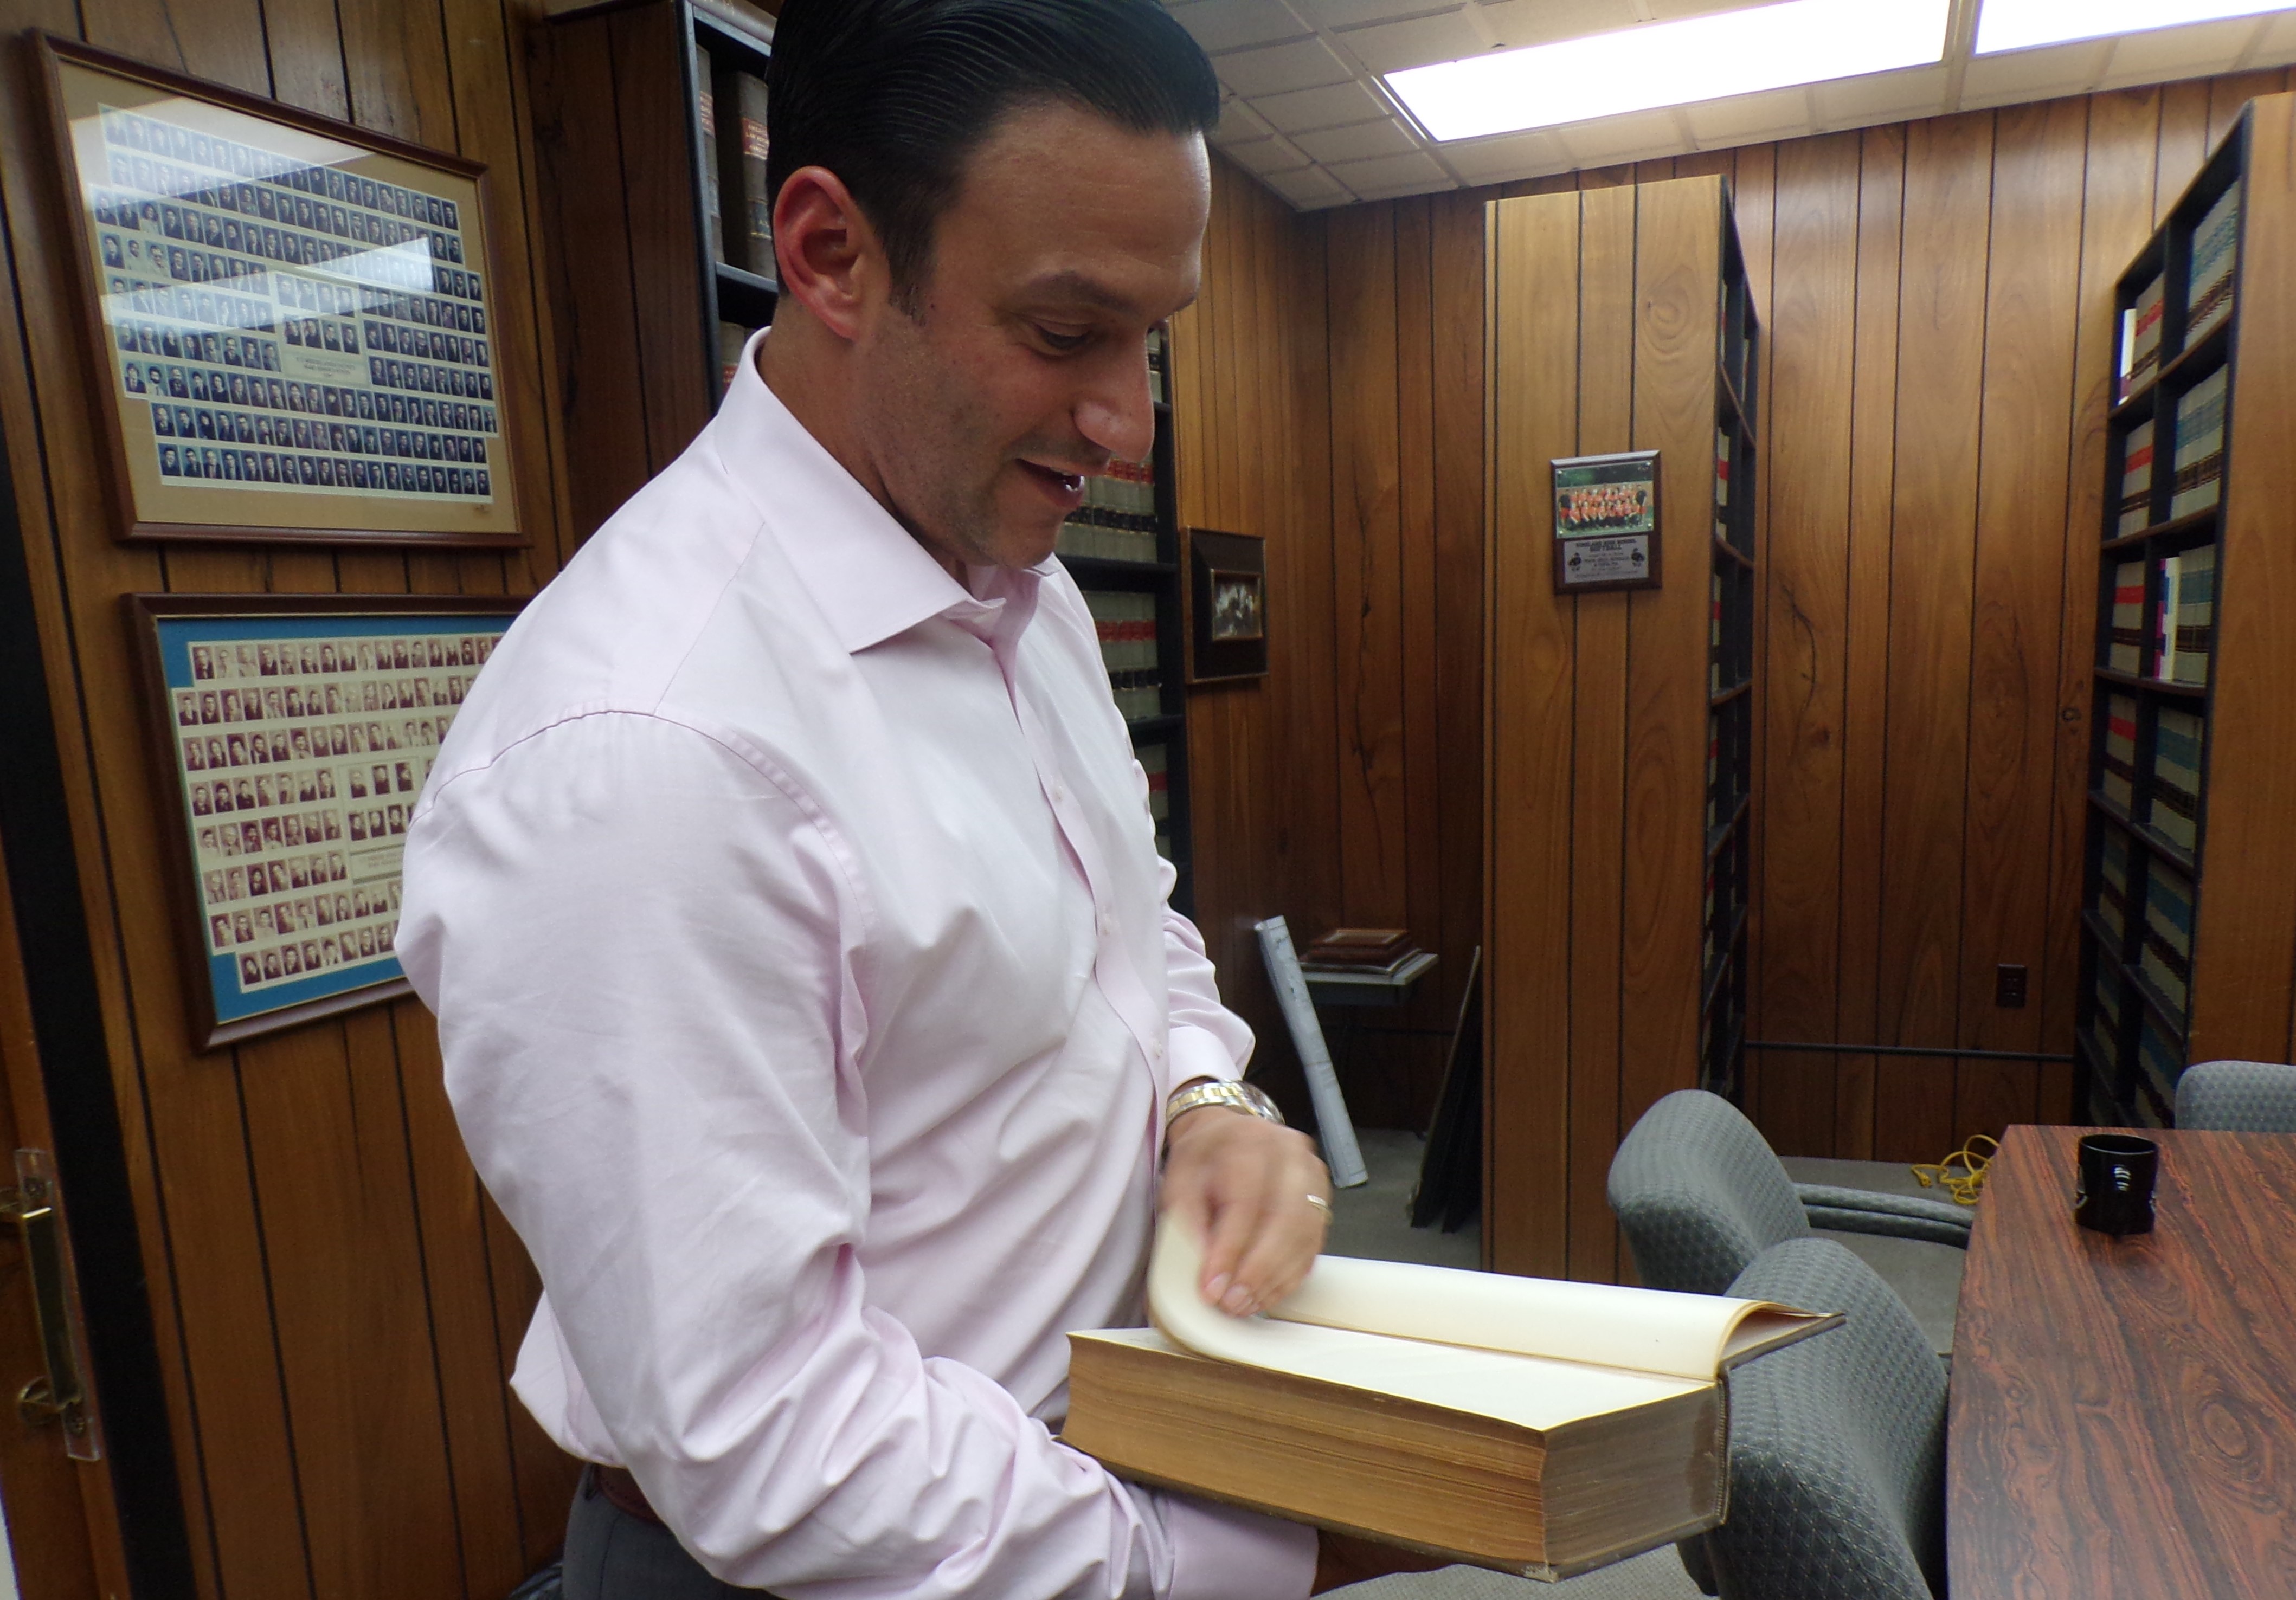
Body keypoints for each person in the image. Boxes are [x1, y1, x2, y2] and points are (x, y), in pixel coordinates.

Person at [398, 3, 1444, 1598]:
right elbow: (769, 1431)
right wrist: (1216, 1564)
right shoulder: (646, 752)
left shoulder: (1018, 595)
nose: (1129, 425)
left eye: (1151, 336)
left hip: (1080, 1477)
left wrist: (1198, 1099)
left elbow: (1126, 929)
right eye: (1063, 333)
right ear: (827, 252)